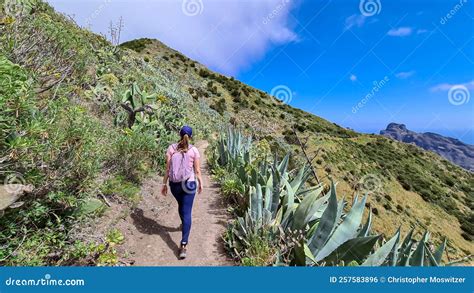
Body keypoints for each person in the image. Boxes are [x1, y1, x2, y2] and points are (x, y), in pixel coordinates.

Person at [161, 126, 203, 259]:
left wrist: (164, 184)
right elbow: (197, 171)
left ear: (179, 134)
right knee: (187, 212)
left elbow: (167, 169)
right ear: (190, 136)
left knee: (181, 206)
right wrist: (201, 183)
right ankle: (183, 245)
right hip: (189, 184)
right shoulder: (194, 150)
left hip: (175, 185)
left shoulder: (171, 148)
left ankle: (183, 224)